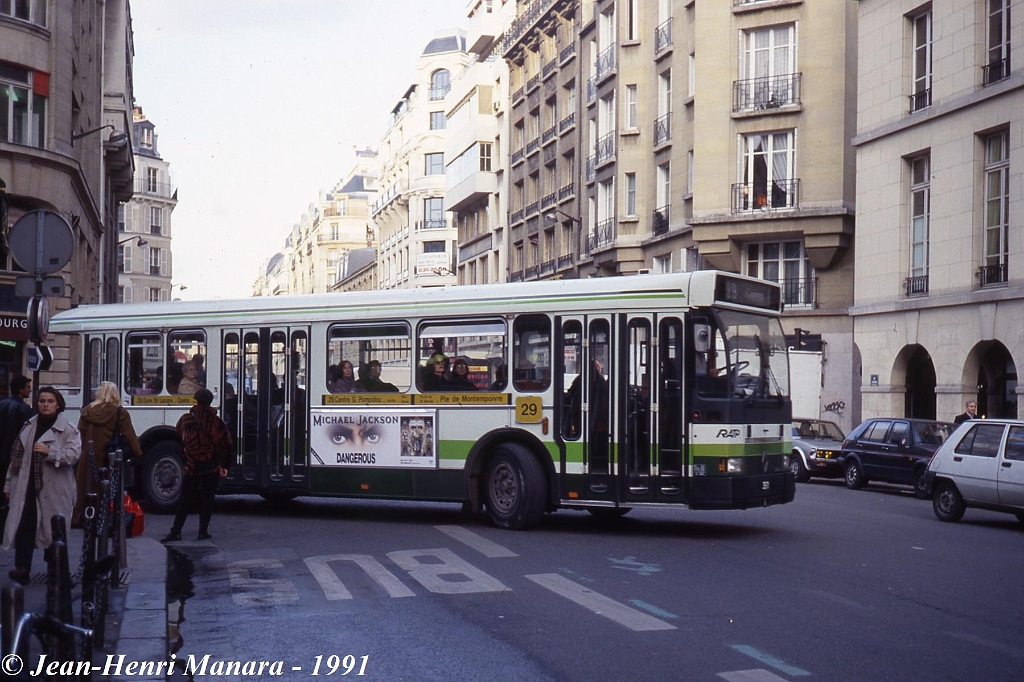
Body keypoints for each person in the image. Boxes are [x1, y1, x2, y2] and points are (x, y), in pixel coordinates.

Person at [3, 387, 81, 584]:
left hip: (54, 489)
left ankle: (57, 571)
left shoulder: (68, 429)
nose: (45, 405)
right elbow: (15, 460)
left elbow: (73, 455)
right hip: (26, 486)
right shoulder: (28, 425)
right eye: (42, 401)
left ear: (58, 404)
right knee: (24, 527)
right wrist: (8, 485)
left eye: (50, 401)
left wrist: (50, 452)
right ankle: (22, 568)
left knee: (53, 530)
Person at [161, 389, 233, 542]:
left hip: (192, 465)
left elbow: (179, 436)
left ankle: (176, 531)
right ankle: (202, 532)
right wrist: (225, 464)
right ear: (210, 401)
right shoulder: (216, 421)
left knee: (185, 499)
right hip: (211, 465)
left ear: (196, 400)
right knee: (207, 499)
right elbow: (226, 443)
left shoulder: (186, 419)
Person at [74, 381, 143, 526]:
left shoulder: (87, 411)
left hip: (89, 455)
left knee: (87, 486)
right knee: (108, 488)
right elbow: (129, 434)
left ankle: (83, 516)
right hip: (110, 456)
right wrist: (138, 454)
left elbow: (80, 433)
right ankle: (105, 519)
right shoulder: (120, 413)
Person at [0, 376, 34, 480]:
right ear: (21, 390)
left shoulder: (2, 404)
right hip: (14, 453)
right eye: (28, 387)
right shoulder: (24, 408)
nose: (30, 390)